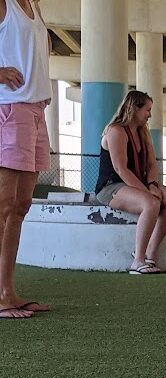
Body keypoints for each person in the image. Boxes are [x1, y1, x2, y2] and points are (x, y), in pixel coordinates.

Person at [0, 0, 52, 317]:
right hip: (10, 108)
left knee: (20, 207)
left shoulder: (33, 4)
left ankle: (7, 291)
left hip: (36, 110)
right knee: (3, 206)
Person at [96, 90, 166, 274]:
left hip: (137, 183)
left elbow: (151, 164)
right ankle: (137, 261)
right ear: (134, 108)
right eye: (147, 110)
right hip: (112, 186)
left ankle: (150, 254)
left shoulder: (143, 131)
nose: (150, 115)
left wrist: (152, 185)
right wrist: (147, 192)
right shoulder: (116, 131)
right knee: (150, 203)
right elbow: (120, 169)